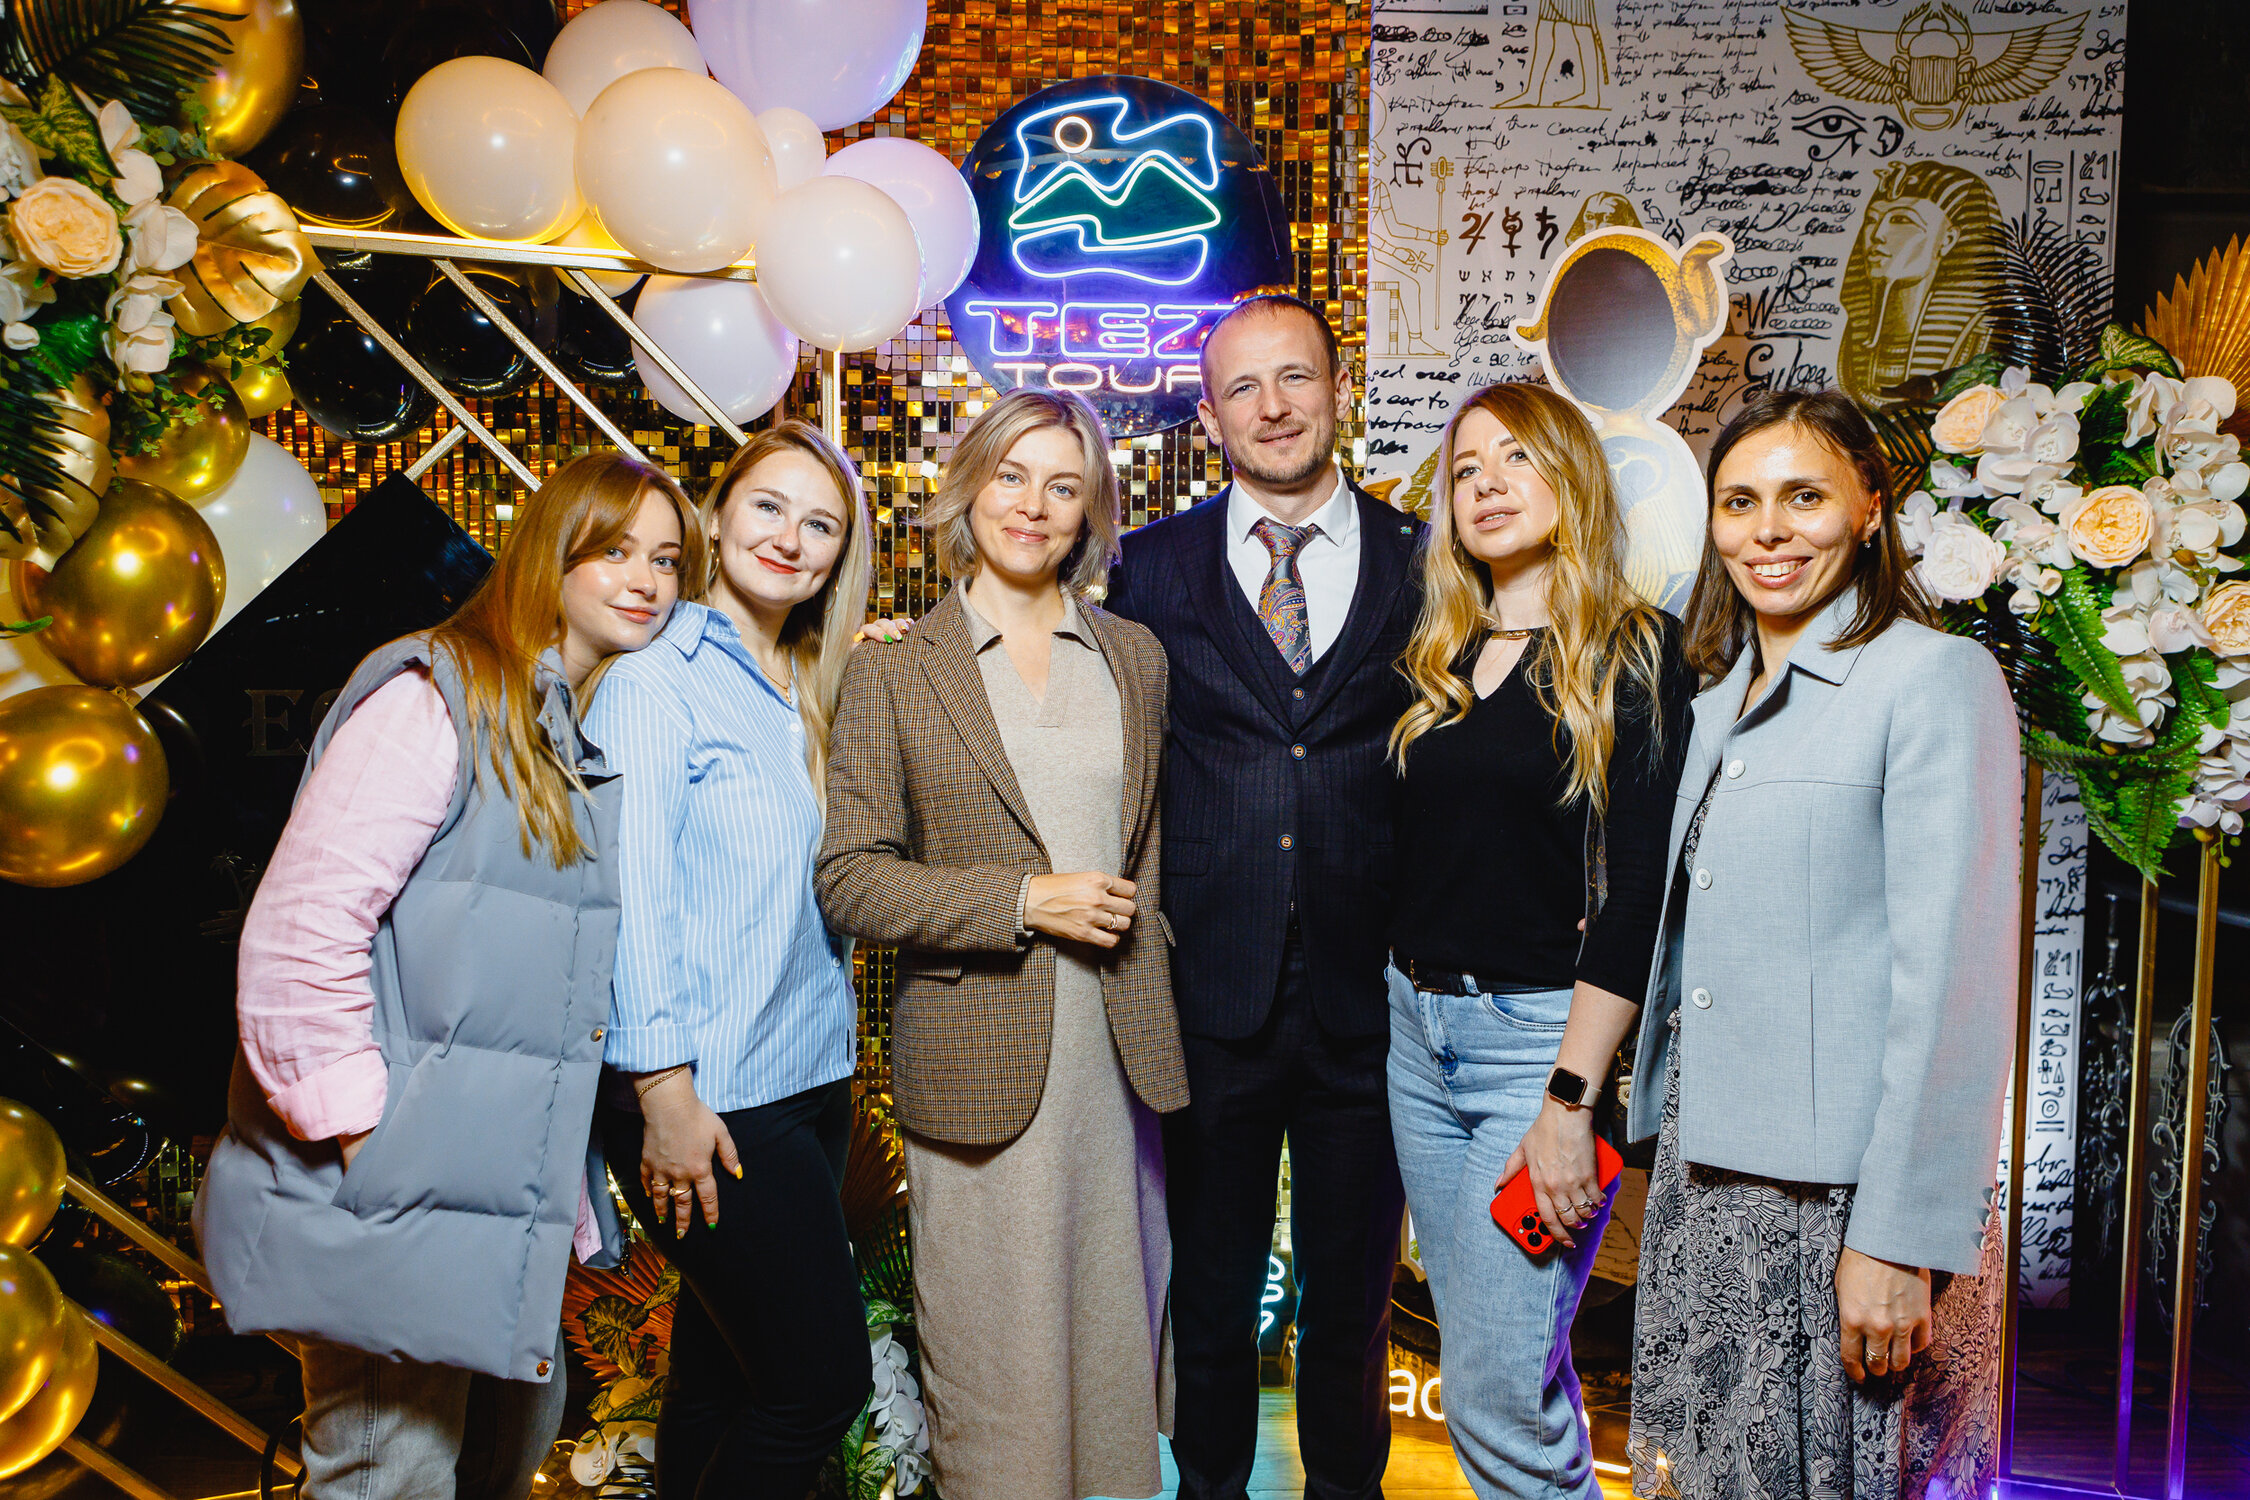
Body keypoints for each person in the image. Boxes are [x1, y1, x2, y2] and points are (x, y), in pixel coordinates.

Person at [196, 453, 700, 1500]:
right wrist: (370, 1140)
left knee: (502, 1458)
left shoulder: (557, 732)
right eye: (616, 551)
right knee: (390, 1472)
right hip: (399, 1195)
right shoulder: (434, 693)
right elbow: (299, 932)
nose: (647, 580)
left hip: (488, 1207)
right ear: (550, 553)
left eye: (666, 560)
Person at [1620, 390, 2016, 1498]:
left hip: (1847, 1206)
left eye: (1804, 497)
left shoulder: (1933, 678)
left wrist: (1897, 1238)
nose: (1769, 530)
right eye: (1739, 502)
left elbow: (1956, 985)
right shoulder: (1713, 703)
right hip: (1712, 1194)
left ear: (1871, 507)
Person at [817, 387, 1187, 1500]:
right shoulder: (894, 666)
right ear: (969, 486)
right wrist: (1024, 901)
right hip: (980, 1068)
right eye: (1012, 476)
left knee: (1112, 1363)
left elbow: (1153, 857)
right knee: (993, 1376)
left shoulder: (1134, 657)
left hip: (1117, 1068)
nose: (1033, 506)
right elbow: (851, 879)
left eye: (1063, 487)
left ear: (1092, 513)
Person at [1104, 293, 1424, 1500]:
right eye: (1244, 386)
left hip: (1372, 996)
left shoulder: (1425, 558)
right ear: (1210, 417)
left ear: (1338, 391)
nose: (1274, 406)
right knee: (1210, 1293)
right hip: (1207, 991)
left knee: (1352, 1302)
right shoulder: (1147, 569)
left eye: (1295, 377)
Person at [1386, 382, 1692, 1499]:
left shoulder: (1637, 650)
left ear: (1570, 476)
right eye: (1466, 469)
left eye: (1516, 458)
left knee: (1496, 1389)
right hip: (1414, 1036)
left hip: (1536, 1050)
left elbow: (1640, 895)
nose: (1487, 485)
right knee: (1504, 1367)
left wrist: (1571, 1100)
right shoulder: (1435, 653)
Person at [583, 420, 875, 1500]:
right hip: (712, 1101)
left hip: (809, 1081)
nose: (790, 539)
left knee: (723, 1380)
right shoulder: (655, 680)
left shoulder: (808, 684)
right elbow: (630, 900)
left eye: (821, 525)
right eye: (769, 506)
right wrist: (662, 1091)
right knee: (817, 1388)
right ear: (715, 516)